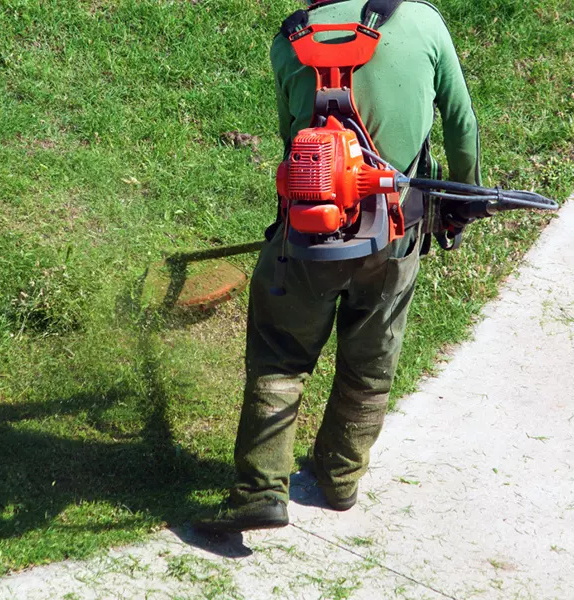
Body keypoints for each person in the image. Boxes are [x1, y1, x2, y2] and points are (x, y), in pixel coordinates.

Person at [195, 0, 481, 533]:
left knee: (280, 356)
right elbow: (462, 127)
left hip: (305, 238)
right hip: (394, 238)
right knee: (371, 359)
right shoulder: (422, 22)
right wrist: (460, 205)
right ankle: (340, 476)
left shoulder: (289, 39)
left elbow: (293, 143)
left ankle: (260, 490)